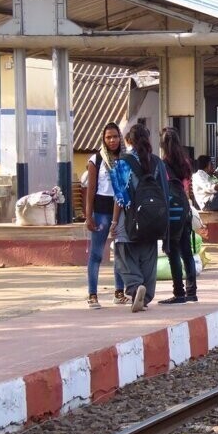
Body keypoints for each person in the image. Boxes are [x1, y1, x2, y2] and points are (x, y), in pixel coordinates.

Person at [110, 124, 170, 313]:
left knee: (124, 256)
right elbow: (165, 192)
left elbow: (119, 198)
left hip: (129, 219)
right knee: (148, 257)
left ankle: (136, 288)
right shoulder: (158, 163)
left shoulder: (121, 163)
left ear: (128, 141)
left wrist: (114, 222)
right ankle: (146, 295)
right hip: (153, 218)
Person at [85, 122, 128, 308]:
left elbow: (124, 189)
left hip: (120, 212)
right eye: (108, 137)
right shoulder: (96, 160)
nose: (112, 140)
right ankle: (92, 295)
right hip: (101, 212)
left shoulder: (125, 160)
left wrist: (117, 219)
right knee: (96, 254)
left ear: (120, 138)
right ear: (103, 139)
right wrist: (88, 216)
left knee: (119, 253)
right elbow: (91, 189)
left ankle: (119, 293)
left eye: (115, 136)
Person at [159, 127, 196, 304]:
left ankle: (178, 293)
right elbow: (187, 188)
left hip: (171, 211)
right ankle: (192, 292)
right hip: (185, 208)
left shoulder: (162, 164)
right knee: (186, 251)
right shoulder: (186, 163)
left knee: (172, 251)